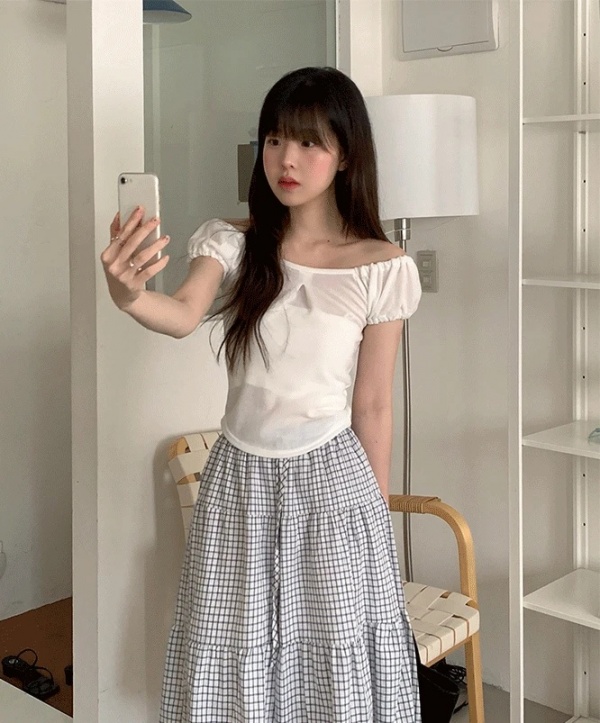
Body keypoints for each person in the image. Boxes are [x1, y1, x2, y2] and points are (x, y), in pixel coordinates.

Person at [101, 66, 422, 722]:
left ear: (346, 154)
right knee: (233, 649)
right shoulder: (233, 241)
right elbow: (181, 314)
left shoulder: (382, 266)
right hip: (238, 478)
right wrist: (128, 295)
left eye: (308, 142)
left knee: (332, 654)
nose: (287, 159)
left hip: (333, 480)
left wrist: (375, 521)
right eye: (275, 139)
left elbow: (373, 405)